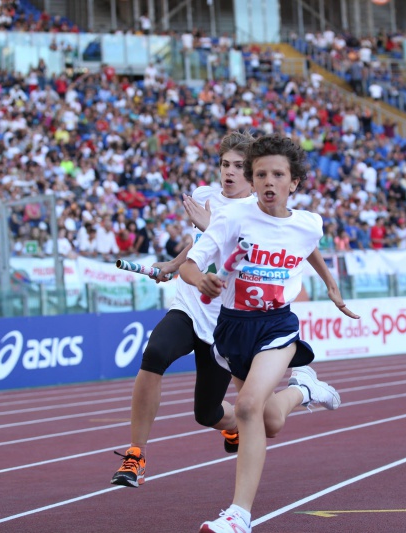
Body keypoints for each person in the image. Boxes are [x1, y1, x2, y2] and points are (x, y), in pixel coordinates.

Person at [111, 132, 356, 491]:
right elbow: (201, 245)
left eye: (239, 167)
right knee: (156, 353)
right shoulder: (206, 197)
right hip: (192, 305)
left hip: (225, 327)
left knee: (209, 413)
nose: (229, 173)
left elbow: (300, 238)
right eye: (225, 165)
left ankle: (281, 401)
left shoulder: (263, 213)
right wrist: (177, 265)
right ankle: (137, 453)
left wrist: (330, 283)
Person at [180, 134, 359, 533]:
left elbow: (305, 242)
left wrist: (330, 284)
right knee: (269, 421)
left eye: (278, 174)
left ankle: (238, 516)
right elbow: (191, 265)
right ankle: (306, 391)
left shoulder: (310, 222)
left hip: (277, 327)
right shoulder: (233, 218)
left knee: (245, 408)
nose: (268, 182)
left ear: (294, 182)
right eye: (260, 174)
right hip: (233, 330)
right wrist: (200, 281)